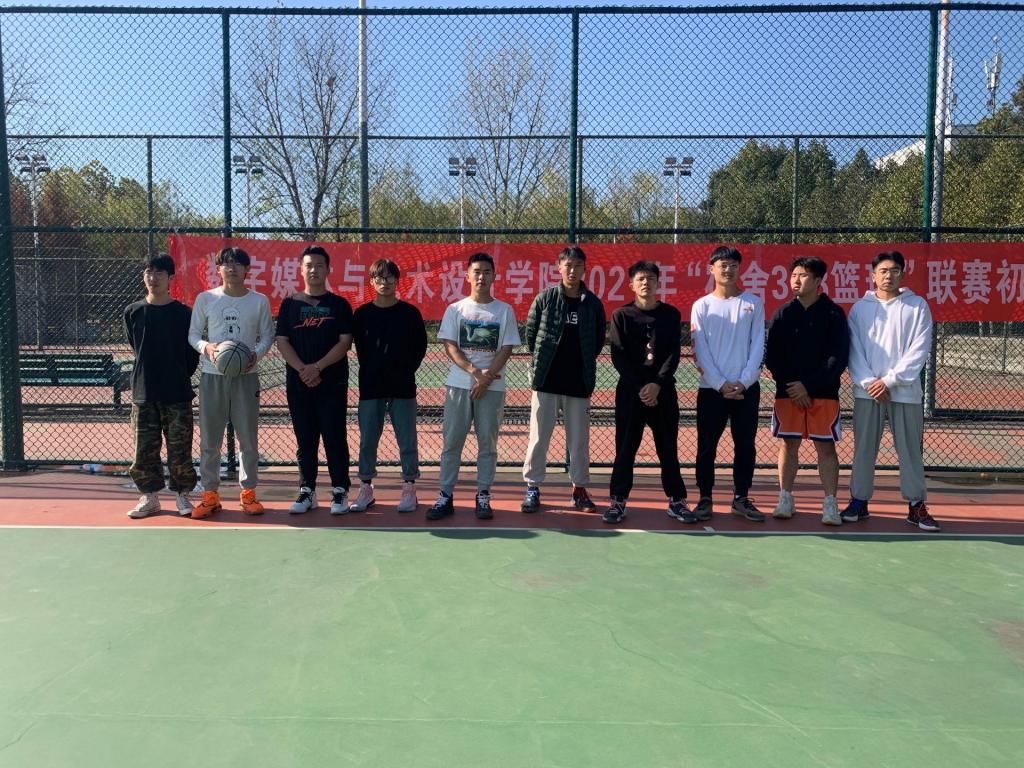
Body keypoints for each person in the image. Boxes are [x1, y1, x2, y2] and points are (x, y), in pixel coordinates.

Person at [843, 251, 940, 531]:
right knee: (863, 449)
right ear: (873, 275)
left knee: (910, 451)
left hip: (905, 392)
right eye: (883, 271)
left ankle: (916, 505)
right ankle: (859, 501)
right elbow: (854, 351)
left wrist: (889, 381)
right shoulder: (859, 309)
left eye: (894, 270)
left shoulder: (917, 306)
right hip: (867, 393)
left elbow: (919, 350)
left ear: (903, 274)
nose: (888, 276)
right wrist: (869, 383)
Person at [428, 252, 520, 521]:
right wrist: (474, 373)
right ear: (468, 276)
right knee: (452, 443)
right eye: (476, 272)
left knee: (487, 445)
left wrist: (486, 378)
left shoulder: (504, 310)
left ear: (494, 276)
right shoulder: (455, 309)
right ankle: (445, 495)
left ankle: (483, 495)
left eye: (487, 272)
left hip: (492, 388)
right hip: (458, 386)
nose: (481, 277)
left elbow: (507, 347)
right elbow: (450, 346)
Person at [188, 246, 275, 519]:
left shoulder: (258, 301)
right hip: (212, 377)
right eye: (226, 263)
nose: (232, 268)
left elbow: (267, 335)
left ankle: (248, 493)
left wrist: (255, 354)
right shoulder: (206, 298)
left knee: (248, 438)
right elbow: (193, 335)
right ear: (218, 269)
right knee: (209, 439)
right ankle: (210, 494)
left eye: (238, 263)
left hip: (246, 377)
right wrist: (207, 348)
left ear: (247, 269)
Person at [521, 246, 606, 514]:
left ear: (584, 269)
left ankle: (579, 490)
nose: (572, 270)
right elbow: (531, 337)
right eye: (568, 265)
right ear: (559, 268)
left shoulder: (593, 304)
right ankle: (533, 488)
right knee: (538, 439)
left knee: (578, 443)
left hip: (578, 384)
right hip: (546, 382)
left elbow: (597, 342)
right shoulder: (545, 299)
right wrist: (541, 364)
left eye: (577, 266)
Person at [765, 256, 849, 525]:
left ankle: (830, 503)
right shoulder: (782, 314)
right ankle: (785, 497)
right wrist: (792, 386)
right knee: (788, 444)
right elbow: (773, 356)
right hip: (788, 394)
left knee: (825, 447)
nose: (796, 280)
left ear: (817, 281)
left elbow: (837, 357)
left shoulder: (834, 314)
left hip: (823, 394)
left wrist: (808, 386)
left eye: (802, 276)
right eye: (794, 275)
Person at [604, 261, 689, 524]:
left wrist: (657, 384)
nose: (646, 283)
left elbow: (673, 354)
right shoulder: (621, 315)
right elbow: (618, 356)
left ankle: (677, 500)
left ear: (658, 283)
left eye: (651, 278)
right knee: (625, 448)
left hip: (663, 392)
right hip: (631, 392)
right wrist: (641, 386)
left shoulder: (671, 315)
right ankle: (618, 501)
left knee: (668, 448)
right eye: (640, 279)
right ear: (631, 284)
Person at [275, 245, 354, 515]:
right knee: (305, 439)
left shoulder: (340, 305)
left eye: (319, 265)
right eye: (309, 265)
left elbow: (345, 342)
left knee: (334, 437)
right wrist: (303, 370)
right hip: (299, 384)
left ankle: (340, 490)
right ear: (301, 270)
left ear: (328, 269)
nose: (314, 270)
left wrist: (317, 367)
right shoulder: (289, 304)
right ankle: (307, 490)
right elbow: (282, 341)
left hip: (332, 383)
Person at [691, 246, 766, 522]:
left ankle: (741, 498)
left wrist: (744, 382)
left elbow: (758, 346)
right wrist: (720, 384)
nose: (728, 269)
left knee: (745, 446)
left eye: (733, 265)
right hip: (711, 390)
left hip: (746, 390)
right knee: (706, 447)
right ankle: (704, 499)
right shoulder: (701, 306)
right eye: (722, 265)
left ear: (740, 268)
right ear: (711, 269)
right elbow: (700, 350)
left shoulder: (753, 303)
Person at [123, 253, 200, 518]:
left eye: (159, 273)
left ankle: (182, 495)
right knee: (144, 450)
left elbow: (191, 355)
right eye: (148, 272)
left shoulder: (184, 314)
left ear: (170, 278)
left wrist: (176, 375)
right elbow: (136, 348)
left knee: (180, 449)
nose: (153, 278)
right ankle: (150, 497)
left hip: (177, 393)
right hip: (144, 393)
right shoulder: (133, 312)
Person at [350, 258, 428, 513]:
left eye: (389, 278)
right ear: (372, 282)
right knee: (367, 441)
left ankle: (409, 487)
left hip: (403, 387)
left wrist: (404, 370)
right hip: (371, 387)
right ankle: (366, 487)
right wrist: (374, 369)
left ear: (397, 280)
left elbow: (420, 347)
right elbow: (358, 347)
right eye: (379, 278)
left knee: (407, 441)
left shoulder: (410, 314)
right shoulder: (361, 315)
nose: (384, 282)